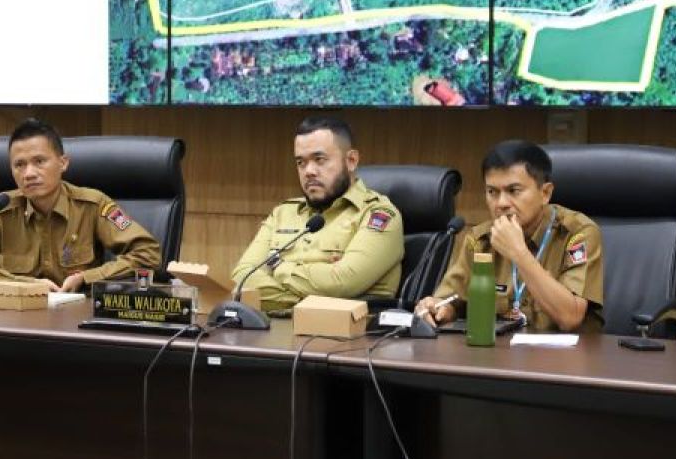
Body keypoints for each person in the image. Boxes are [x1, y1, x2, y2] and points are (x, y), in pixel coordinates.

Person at [0, 118, 161, 291]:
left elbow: (147, 253)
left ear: (63, 163)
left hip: (74, 322)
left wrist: (87, 277)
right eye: (19, 165)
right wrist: (27, 285)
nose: (29, 173)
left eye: (39, 161)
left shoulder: (93, 205)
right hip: (15, 320)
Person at [417, 140, 603, 332]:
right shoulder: (480, 239)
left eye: (513, 191)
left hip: (565, 359)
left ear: (545, 193)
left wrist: (519, 253)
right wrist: (439, 308)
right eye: (492, 192)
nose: (501, 203)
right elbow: (451, 299)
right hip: (498, 356)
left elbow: (570, 317)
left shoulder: (577, 233)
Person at [230, 115, 404, 311]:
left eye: (319, 159)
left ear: (351, 160)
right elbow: (243, 277)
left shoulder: (378, 215)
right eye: (301, 163)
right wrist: (313, 300)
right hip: (274, 332)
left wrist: (279, 267)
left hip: (347, 337)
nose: (309, 171)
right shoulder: (283, 213)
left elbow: (342, 283)